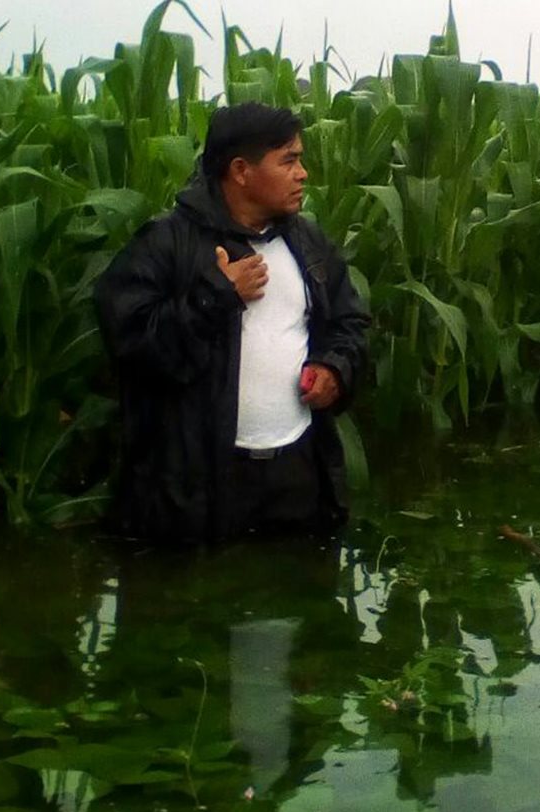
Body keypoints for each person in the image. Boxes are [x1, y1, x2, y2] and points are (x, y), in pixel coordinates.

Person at [95, 103, 370, 543]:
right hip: (200, 488)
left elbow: (349, 321)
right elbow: (131, 345)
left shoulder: (307, 240)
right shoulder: (166, 244)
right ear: (241, 171)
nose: (303, 174)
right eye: (289, 161)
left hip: (296, 475)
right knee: (208, 602)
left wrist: (335, 368)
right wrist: (216, 295)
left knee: (300, 600)